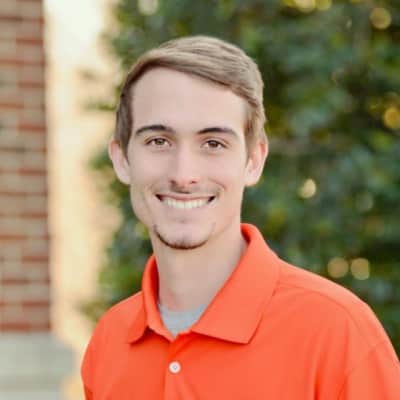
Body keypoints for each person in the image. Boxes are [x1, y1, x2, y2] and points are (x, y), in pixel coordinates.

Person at [81, 36, 400, 399]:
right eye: (158, 141)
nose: (184, 175)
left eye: (213, 144)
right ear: (122, 159)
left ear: (253, 161)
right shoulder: (109, 342)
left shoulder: (338, 332)